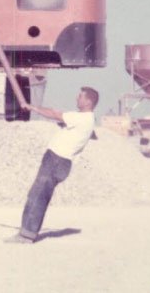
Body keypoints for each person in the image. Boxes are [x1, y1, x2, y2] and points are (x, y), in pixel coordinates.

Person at [7, 86, 99, 243]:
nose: (77, 98)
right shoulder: (85, 118)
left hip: (57, 159)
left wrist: (32, 107)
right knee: (37, 194)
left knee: (38, 196)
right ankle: (26, 232)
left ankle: (26, 236)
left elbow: (55, 113)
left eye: (80, 96)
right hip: (60, 161)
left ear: (88, 101)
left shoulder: (83, 118)